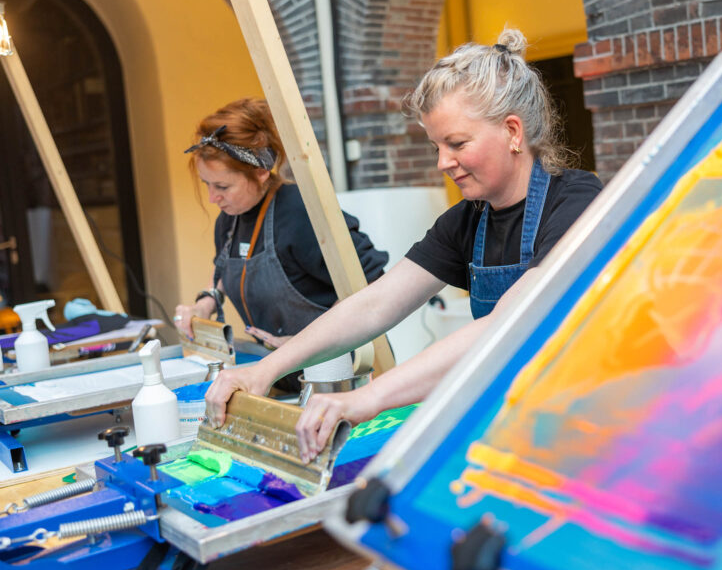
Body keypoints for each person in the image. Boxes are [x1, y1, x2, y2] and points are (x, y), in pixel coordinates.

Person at [205, 30, 603, 461]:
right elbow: (374, 305)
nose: (442, 162)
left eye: (457, 143)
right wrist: (265, 370)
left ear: (512, 131)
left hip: (587, 428)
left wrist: (366, 398)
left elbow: (511, 325)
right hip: (512, 428)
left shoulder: (577, 203)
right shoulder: (466, 221)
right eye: (436, 146)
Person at [173, 97, 388, 391]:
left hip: (332, 380)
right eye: (206, 184)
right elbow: (223, 267)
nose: (213, 198)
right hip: (280, 377)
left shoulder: (300, 214)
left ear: (261, 172)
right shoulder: (229, 219)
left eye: (222, 186)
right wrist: (206, 302)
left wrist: (309, 342)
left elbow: (368, 275)